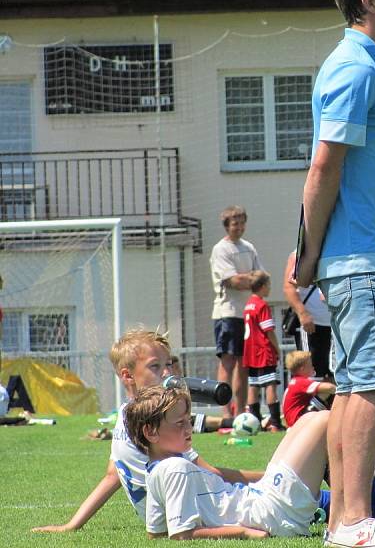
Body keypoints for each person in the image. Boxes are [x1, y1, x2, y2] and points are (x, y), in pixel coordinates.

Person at [295, 0, 375, 547]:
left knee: (350, 388)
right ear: (369, 1)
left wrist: (313, 257)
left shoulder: (359, 65)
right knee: (369, 387)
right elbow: (323, 168)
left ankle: (347, 519)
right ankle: (351, 522)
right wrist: (307, 255)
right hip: (359, 264)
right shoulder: (356, 69)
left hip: (354, 263)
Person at [32, 329, 263, 533]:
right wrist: (267, 477)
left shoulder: (126, 415)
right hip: (210, 509)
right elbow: (213, 474)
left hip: (175, 512)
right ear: (127, 375)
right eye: (156, 366)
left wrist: (72, 525)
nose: (166, 373)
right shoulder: (149, 425)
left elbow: (113, 476)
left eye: (168, 364)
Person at [127, 384, 329, 539]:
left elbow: (155, 533)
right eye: (180, 423)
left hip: (262, 499)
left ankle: (344, 506)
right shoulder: (175, 468)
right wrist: (243, 532)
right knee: (324, 420)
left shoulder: (154, 471)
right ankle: (348, 514)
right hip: (271, 515)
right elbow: (182, 534)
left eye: (189, 420)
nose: (189, 429)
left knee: (310, 418)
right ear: (151, 432)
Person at [211, 205, 263, 417]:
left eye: (242, 223)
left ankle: (240, 411)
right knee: (228, 362)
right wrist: (249, 278)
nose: (239, 227)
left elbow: (261, 279)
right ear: (226, 226)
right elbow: (233, 281)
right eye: (235, 223)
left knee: (244, 364)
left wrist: (249, 278)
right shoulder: (221, 249)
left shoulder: (249, 247)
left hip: (247, 313)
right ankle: (225, 412)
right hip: (228, 313)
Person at [243, 270, 285, 431]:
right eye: (268, 285)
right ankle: (275, 422)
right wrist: (277, 348)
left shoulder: (248, 305)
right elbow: (268, 330)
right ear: (262, 286)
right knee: (270, 384)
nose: (269, 289)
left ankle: (255, 421)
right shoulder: (261, 305)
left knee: (253, 385)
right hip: (263, 350)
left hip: (251, 351)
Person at [284, 250, 333, 380]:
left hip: (334, 326)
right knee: (310, 375)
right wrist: (302, 314)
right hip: (312, 325)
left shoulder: (333, 249)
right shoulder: (299, 254)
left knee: (333, 376)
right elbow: (289, 288)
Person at [282, 350, 337, 428]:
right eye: (310, 365)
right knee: (325, 392)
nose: (313, 367)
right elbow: (329, 387)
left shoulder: (295, 381)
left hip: (293, 421)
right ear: (302, 369)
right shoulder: (300, 382)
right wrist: (343, 391)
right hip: (298, 422)